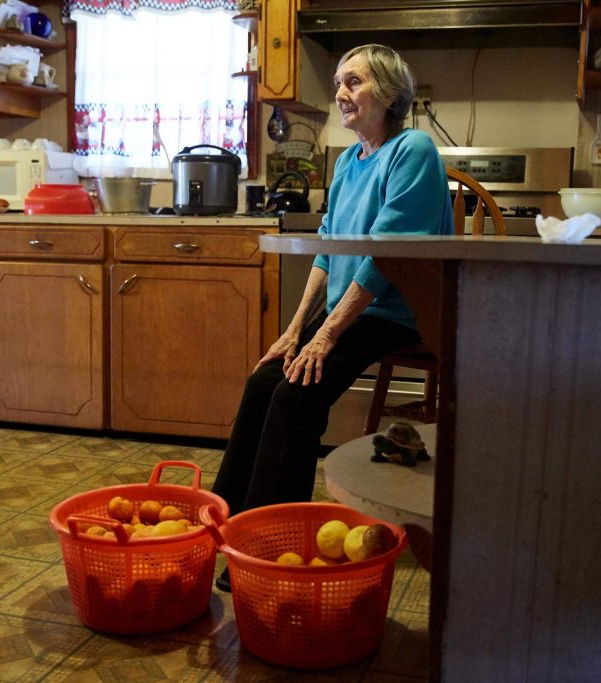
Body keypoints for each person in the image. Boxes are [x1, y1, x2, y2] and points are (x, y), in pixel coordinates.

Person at [210, 44, 453, 591]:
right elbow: (326, 252)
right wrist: (296, 330)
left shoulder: (411, 148)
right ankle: (224, 522)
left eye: (355, 82)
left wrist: (326, 335)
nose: (341, 92)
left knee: (297, 393)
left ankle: (273, 542)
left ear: (388, 94)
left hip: (400, 310)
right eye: (340, 81)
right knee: (266, 378)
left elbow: (386, 255)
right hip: (353, 309)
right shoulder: (348, 160)